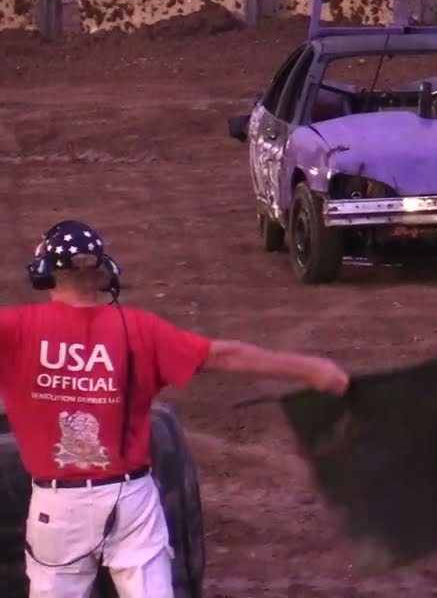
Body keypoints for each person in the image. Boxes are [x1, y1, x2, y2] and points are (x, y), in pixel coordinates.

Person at [0, 220, 349, 598]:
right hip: (130, 499)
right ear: (106, 273)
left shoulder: (16, 329)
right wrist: (312, 370)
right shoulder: (141, 329)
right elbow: (223, 355)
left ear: (44, 274)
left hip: (58, 505)